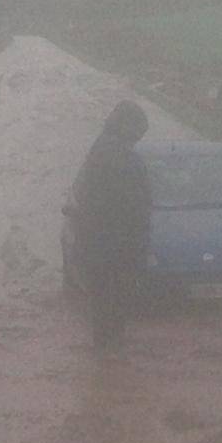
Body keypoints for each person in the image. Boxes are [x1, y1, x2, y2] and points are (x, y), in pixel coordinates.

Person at [75, 100, 152, 351]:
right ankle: (110, 354)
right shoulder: (115, 154)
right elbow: (128, 202)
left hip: (103, 241)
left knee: (106, 301)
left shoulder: (106, 148)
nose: (138, 138)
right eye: (138, 131)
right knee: (113, 299)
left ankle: (107, 355)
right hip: (113, 243)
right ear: (126, 125)